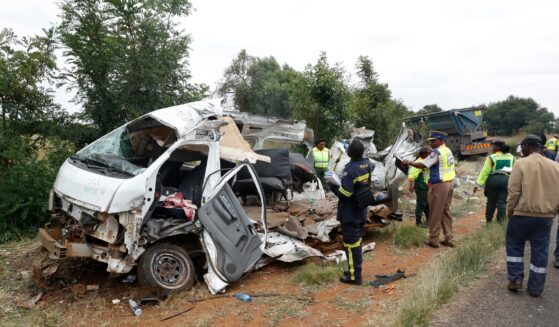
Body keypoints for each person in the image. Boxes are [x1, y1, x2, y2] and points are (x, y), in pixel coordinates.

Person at [506, 135, 559, 297]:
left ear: (527, 147)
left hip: (522, 214)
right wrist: (553, 212)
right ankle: (536, 288)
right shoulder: (555, 166)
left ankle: (515, 279)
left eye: (522, 147)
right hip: (545, 217)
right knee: (540, 251)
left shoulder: (520, 163)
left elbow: (514, 191)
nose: (521, 150)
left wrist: (510, 211)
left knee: (515, 245)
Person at [330, 140, 373, 285]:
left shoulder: (351, 170)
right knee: (357, 241)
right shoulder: (367, 164)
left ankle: (355, 276)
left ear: (350, 153)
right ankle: (353, 269)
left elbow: (345, 193)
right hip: (361, 209)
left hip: (350, 212)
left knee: (351, 244)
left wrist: (332, 187)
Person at [403, 131, 456, 248]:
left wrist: (409, 162)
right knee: (445, 212)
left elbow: (423, 165)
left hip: (439, 185)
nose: (431, 143)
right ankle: (449, 238)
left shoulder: (436, 152)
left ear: (441, 140)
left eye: (433, 141)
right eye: (430, 141)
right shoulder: (447, 150)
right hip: (449, 183)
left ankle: (433, 240)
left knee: (435, 213)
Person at [473, 141, 515, 224]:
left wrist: (478, 184)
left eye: (493, 147)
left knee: (491, 202)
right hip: (506, 180)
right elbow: (514, 170)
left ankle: (489, 221)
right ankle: (501, 222)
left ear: (498, 148)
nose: (492, 148)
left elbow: (485, 172)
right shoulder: (511, 157)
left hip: (493, 180)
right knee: (502, 202)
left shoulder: (491, 157)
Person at [408, 147, 432, 228]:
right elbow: (411, 174)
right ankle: (418, 223)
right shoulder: (419, 162)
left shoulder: (425, 161)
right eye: (429, 153)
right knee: (421, 203)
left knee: (426, 202)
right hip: (420, 185)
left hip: (424, 185)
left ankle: (429, 219)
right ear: (425, 154)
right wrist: (411, 186)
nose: (430, 155)